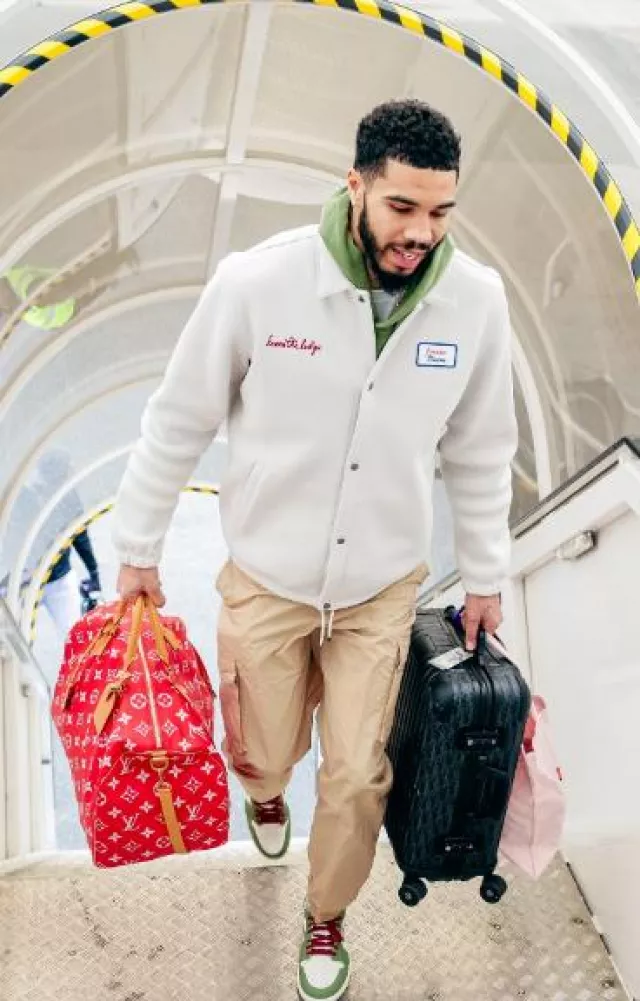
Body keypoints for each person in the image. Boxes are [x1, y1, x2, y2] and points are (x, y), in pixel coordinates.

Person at [112, 100, 518, 1001]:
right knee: (263, 749)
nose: (421, 233)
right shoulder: (259, 285)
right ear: (356, 185)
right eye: (403, 208)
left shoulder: (477, 303)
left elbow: (484, 449)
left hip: (381, 587)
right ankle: (262, 793)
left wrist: (485, 573)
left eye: (440, 213)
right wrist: (139, 546)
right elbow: (179, 419)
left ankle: (325, 912)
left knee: (357, 773)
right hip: (268, 577)